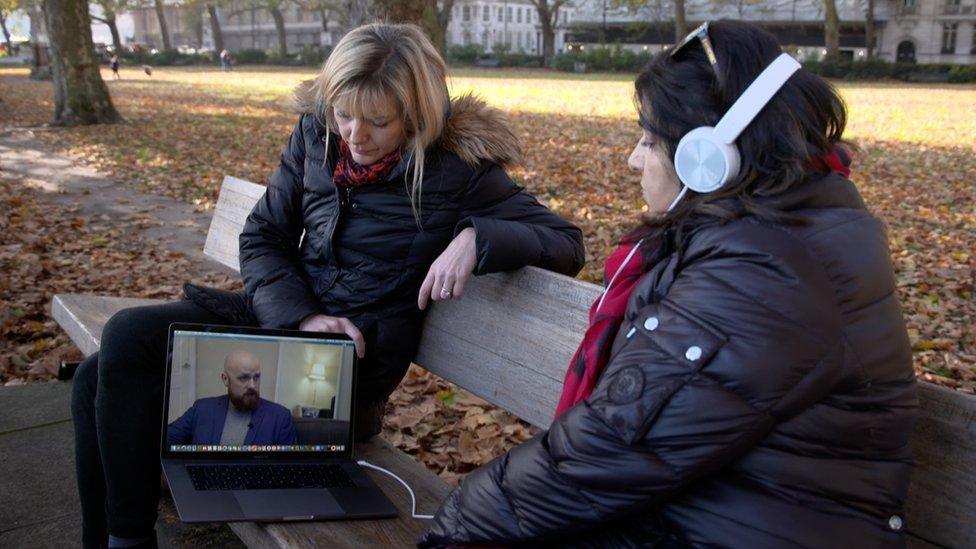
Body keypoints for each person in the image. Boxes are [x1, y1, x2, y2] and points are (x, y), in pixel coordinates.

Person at [71, 23, 583, 549]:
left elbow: (566, 241)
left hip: (341, 370)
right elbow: (265, 234)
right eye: (343, 114)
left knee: (126, 344)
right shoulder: (316, 137)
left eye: (378, 122)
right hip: (285, 324)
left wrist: (478, 237)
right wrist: (301, 318)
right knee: (101, 370)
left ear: (417, 114)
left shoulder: (457, 170)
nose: (354, 135)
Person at [419, 19, 917, 548]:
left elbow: (612, 450)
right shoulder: (783, 235)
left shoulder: (764, 275)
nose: (634, 158)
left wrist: (452, 528)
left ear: (708, 161)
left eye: (651, 142)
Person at [166, 350, 297, 446]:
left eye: (256, 377)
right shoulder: (202, 409)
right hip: (207, 479)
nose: (252, 385)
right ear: (225, 379)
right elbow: (165, 439)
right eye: (244, 378)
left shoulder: (280, 417)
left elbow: (289, 466)